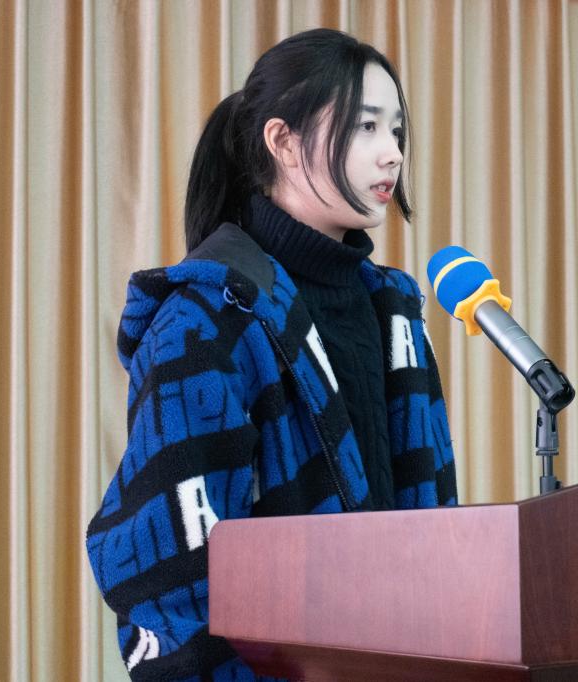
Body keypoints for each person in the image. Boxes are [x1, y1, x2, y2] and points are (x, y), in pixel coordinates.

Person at [85, 28, 458, 681]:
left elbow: (433, 528)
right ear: (282, 142)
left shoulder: (394, 311)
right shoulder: (205, 318)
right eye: (366, 127)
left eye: (397, 130)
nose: (393, 153)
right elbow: (175, 570)